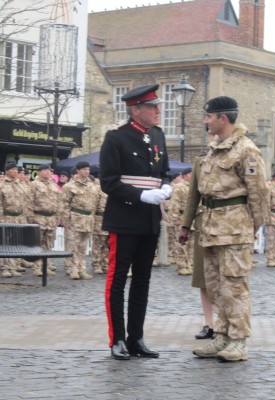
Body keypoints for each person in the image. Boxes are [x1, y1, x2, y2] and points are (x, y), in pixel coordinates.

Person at [180, 96, 268, 362]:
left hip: (234, 228)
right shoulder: (214, 148)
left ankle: (239, 341)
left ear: (223, 118)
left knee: (235, 287)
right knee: (216, 286)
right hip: (210, 228)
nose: (205, 121)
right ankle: (222, 336)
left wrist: (252, 226)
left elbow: (259, 193)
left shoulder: (246, 150)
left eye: (209, 117)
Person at [100, 84, 171, 360]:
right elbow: (109, 183)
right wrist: (142, 195)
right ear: (135, 110)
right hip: (125, 217)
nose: (158, 111)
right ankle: (116, 338)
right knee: (117, 280)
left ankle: (136, 337)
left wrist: (165, 187)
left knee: (143, 280)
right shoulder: (116, 139)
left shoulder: (157, 136)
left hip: (149, 219)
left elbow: (163, 171)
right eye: (152, 107)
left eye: (157, 106)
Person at [180, 155, 215, 340]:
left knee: (229, 278)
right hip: (203, 224)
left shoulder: (240, 154)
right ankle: (209, 324)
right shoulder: (200, 161)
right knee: (203, 278)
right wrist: (186, 225)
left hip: (231, 224)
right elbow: (193, 196)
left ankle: (227, 324)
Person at [60, 161, 98, 280]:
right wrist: (66, 220)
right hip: (75, 218)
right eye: (84, 169)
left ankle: (82, 269)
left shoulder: (92, 185)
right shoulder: (69, 186)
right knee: (73, 246)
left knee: (83, 246)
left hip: (88, 219)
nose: (87, 171)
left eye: (88, 169)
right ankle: (73, 269)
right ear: (78, 171)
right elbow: (64, 204)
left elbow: (95, 203)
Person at [27, 164, 61, 277]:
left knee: (48, 244)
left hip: (51, 218)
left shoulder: (54, 185)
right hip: (38, 217)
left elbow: (58, 202)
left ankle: (45, 266)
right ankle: (37, 267)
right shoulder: (34, 185)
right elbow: (28, 202)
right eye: (45, 170)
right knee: (38, 243)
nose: (48, 172)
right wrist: (30, 219)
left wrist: (57, 217)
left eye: (49, 170)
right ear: (39, 172)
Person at [0, 162, 28, 277]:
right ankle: (5, 268)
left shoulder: (20, 184)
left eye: (16, 169)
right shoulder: (2, 185)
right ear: (7, 171)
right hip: (7, 216)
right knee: (6, 243)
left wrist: (24, 217)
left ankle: (12, 267)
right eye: (13, 169)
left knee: (15, 243)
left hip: (19, 217)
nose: (15, 171)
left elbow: (25, 202)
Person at [169, 167, 194, 275]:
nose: (193, 176)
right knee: (181, 242)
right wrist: (175, 218)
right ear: (184, 176)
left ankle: (191, 264)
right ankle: (182, 265)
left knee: (192, 244)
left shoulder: (195, 187)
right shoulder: (179, 187)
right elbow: (175, 203)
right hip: (182, 218)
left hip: (194, 219)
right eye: (190, 174)